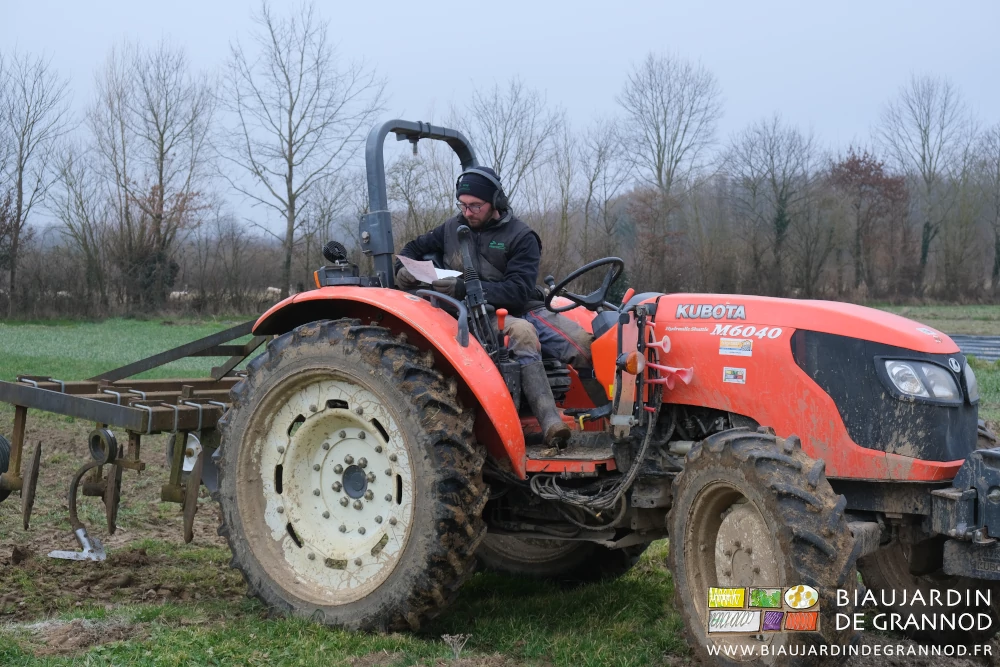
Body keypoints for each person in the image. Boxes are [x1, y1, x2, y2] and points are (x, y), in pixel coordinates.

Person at [394, 167, 590, 447]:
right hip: (474, 313)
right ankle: (549, 422)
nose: (468, 212)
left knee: (585, 345)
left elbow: (518, 292)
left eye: (476, 206)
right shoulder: (451, 228)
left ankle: (604, 419)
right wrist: (402, 269)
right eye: (462, 205)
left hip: (519, 305)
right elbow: (411, 249)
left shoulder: (521, 236)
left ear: (496, 202)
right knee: (522, 333)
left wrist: (466, 287)